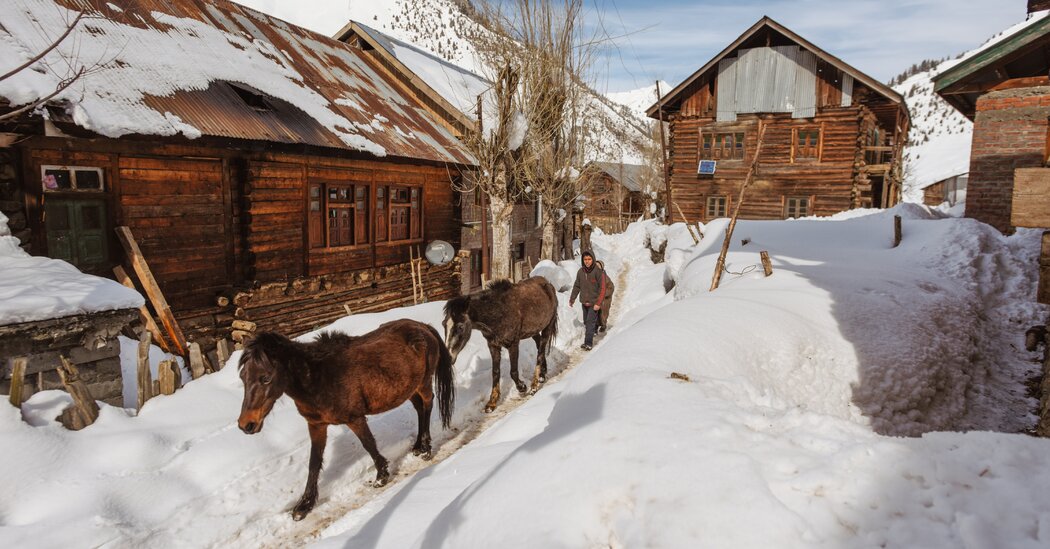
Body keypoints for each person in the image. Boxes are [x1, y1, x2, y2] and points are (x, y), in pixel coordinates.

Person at [569, 250, 607, 351]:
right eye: (585, 259)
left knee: (589, 323)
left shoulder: (598, 272)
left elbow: (603, 289)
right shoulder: (580, 272)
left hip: (594, 303)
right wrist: (572, 298)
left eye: (589, 259)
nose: (587, 261)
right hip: (584, 302)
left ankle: (588, 343)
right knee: (587, 322)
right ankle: (595, 328)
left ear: (593, 259)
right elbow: (577, 286)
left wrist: (598, 303)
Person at [595, 259, 614, 333]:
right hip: (596, 299)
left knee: (603, 314)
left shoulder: (605, 277)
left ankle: (603, 325)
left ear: (602, 267)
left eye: (598, 266)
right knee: (595, 314)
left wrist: (604, 293)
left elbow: (611, 287)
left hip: (605, 300)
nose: (597, 267)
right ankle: (595, 327)